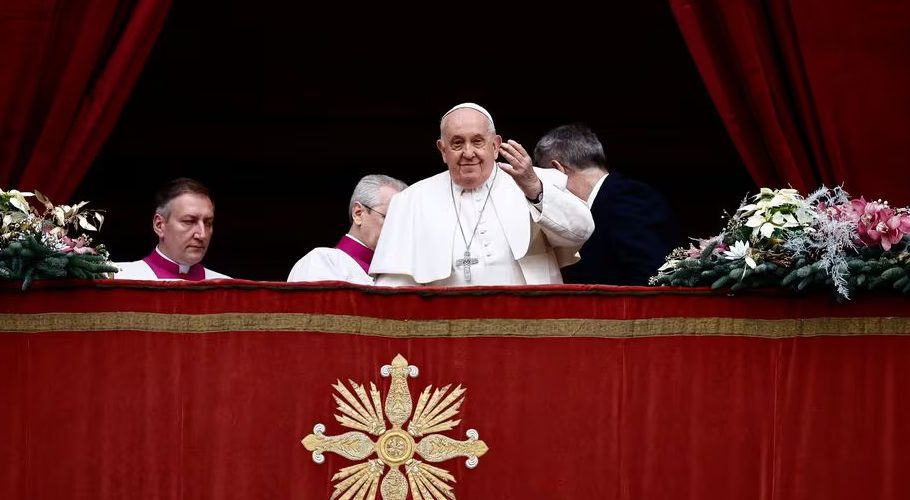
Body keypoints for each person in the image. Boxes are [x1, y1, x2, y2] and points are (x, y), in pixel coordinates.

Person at [370, 103, 594, 286]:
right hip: (448, 331)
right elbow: (394, 286)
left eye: (477, 141)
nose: (469, 153)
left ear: (495, 146)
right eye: (457, 143)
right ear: (442, 150)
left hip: (528, 325)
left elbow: (582, 231)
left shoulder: (535, 181)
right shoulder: (411, 200)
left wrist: (533, 188)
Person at [533, 123, 678, 285]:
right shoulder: (608, 201)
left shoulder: (630, 199)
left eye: (545, 181)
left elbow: (650, 278)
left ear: (558, 170)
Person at [287, 174, 407, 284]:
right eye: (390, 218)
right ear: (358, 213)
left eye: (403, 223)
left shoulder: (400, 276)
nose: (397, 229)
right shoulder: (323, 262)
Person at [114, 177, 230, 280]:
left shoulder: (227, 289)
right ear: (159, 225)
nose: (202, 234)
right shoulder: (119, 278)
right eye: (189, 221)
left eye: (208, 223)